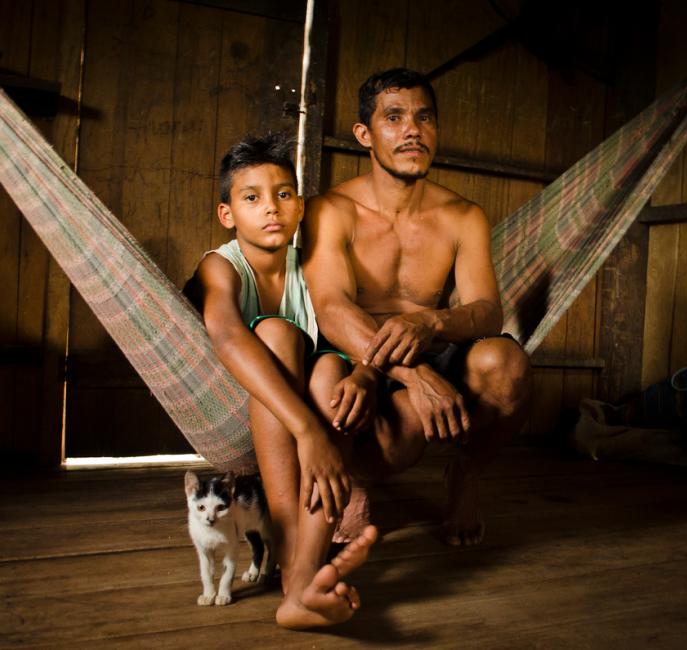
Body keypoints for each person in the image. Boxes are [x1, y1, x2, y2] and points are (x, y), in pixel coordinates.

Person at [302, 68, 532, 547]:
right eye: (394, 117)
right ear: (365, 134)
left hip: (432, 345)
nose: (413, 130)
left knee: (506, 364)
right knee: (384, 438)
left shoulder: (463, 216)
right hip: (356, 351)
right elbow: (330, 307)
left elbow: (488, 311)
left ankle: (466, 476)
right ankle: (356, 481)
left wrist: (431, 320)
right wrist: (414, 377)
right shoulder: (331, 209)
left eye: (424, 118)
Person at [185, 133, 378, 629]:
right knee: (274, 332)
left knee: (334, 375)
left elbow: (352, 332)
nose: (271, 208)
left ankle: (301, 579)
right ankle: (295, 564)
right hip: (252, 394)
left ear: (300, 208)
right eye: (252, 198)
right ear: (227, 214)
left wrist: (363, 374)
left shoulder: (314, 268)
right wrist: (307, 432)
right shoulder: (220, 267)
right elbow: (227, 336)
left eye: (284, 194)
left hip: (315, 392)